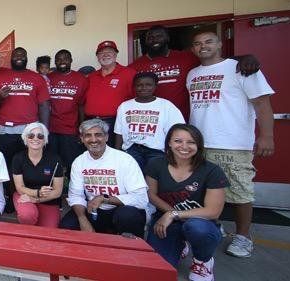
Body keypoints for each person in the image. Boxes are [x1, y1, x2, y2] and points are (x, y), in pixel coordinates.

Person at [187, 31, 275, 258]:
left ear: (219, 44)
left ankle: (243, 237)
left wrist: (267, 136)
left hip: (232, 143)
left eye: (208, 42)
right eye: (197, 44)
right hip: (198, 144)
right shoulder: (193, 74)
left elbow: (262, 103)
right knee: (201, 191)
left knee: (239, 192)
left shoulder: (241, 69)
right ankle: (212, 226)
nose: (202, 46)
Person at [145, 124, 228, 281]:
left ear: (199, 145)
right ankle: (181, 244)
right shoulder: (156, 164)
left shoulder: (211, 170)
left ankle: (202, 260)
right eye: (178, 141)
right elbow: (151, 195)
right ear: (169, 143)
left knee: (197, 228)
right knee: (159, 270)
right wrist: (170, 214)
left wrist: (174, 214)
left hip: (199, 222)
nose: (184, 146)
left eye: (191, 142)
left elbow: (213, 211)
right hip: (166, 223)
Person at [129, 25, 261, 120]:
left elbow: (213, 60)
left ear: (167, 38)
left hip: (183, 119)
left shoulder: (186, 57)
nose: (154, 39)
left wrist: (244, 58)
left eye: (159, 36)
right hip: (150, 120)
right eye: (150, 37)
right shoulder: (135, 65)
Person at [60, 119, 148, 238]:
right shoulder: (79, 162)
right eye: (88, 135)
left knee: (127, 216)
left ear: (106, 137)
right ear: (82, 139)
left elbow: (141, 199)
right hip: (94, 210)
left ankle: (130, 253)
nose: (93, 140)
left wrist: (105, 199)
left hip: (121, 209)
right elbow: (76, 195)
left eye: (98, 135)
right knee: (68, 225)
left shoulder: (125, 159)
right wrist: (82, 219)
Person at [0, 47, 50, 212]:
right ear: (11, 58)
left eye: (22, 55)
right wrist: (0, 97)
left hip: (30, 130)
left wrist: (44, 131)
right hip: (6, 129)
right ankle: (10, 198)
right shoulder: (2, 77)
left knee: (30, 165)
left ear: (26, 58)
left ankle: (30, 197)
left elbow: (44, 105)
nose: (19, 57)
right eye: (16, 55)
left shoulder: (36, 78)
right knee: (9, 166)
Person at [114, 72, 184, 169]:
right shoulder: (124, 106)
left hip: (157, 151)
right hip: (132, 149)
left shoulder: (166, 106)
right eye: (139, 85)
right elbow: (119, 132)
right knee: (133, 178)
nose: (144, 88)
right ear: (134, 87)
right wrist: (117, 153)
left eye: (148, 85)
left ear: (155, 86)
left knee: (154, 179)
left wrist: (172, 153)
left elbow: (177, 131)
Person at [11, 122, 63, 227]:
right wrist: (38, 192)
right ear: (25, 138)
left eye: (40, 136)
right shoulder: (18, 158)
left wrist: (36, 199)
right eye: (31, 135)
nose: (35, 139)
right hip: (24, 195)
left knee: (49, 231)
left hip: (48, 199)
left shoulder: (55, 159)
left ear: (45, 140)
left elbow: (57, 192)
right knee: (27, 215)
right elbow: (20, 188)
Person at [85, 41, 136, 148]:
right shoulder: (91, 76)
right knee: (94, 155)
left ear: (116, 54)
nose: (105, 55)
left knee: (114, 155)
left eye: (109, 52)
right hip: (91, 122)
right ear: (97, 57)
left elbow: (136, 100)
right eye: (101, 53)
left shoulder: (129, 73)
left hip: (115, 123)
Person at [47, 49, 88, 176]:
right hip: (50, 129)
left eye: (65, 58)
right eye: (58, 59)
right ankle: (53, 190)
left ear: (71, 60)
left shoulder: (81, 79)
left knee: (71, 162)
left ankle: (71, 190)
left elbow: (81, 106)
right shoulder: (48, 78)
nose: (62, 61)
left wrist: (82, 129)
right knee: (51, 162)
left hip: (69, 129)